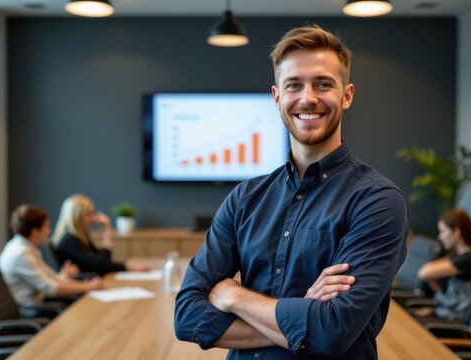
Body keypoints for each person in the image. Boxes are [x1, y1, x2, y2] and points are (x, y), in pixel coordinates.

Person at [174, 25, 409, 359]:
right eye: (294, 85)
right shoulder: (245, 199)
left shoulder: (377, 201)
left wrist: (234, 298)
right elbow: (187, 316)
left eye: (323, 84)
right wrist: (302, 320)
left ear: (347, 95)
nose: (308, 98)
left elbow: (332, 332)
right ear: (277, 97)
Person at [0, 204, 104, 307]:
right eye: (46, 227)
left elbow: (51, 278)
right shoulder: (21, 254)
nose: (49, 231)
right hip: (31, 309)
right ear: (35, 231)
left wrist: (71, 280)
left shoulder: (27, 246)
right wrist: (88, 286)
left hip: (39, 300)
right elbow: (51, 289)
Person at [51, 194, 150, 276]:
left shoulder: (80, 236)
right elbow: (101, 265)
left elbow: (101, 261)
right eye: (88, 214)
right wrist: (106, 231)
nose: (93, 218)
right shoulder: (71, 240)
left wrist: (128, 266)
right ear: (77, 216)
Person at [415, 208, 471, 321]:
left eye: (443, 231)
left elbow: (424, 272)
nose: (440, 237)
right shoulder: (460, 255)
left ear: (457, 232)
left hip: (450, 317)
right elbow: (429, 273)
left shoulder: (469, 259)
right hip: (445, 310)